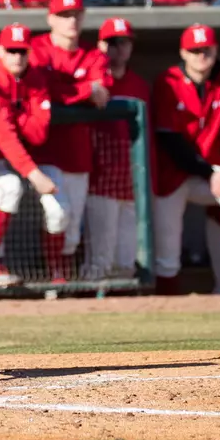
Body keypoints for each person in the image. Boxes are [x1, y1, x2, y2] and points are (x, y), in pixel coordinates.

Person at [149, 24, 220, 295]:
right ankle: (167, 296)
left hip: (209, 172)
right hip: (171, 173)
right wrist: (209, 171)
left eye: (206, 50)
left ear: (215, 51)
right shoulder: (168, 81)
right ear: (183, 53)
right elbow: (170, 141)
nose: (201, 56)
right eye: (195, 50)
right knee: (168, 246)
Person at [0, 23, 57, 288]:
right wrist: (33, 173)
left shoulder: (33, 76)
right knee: (9, 186)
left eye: (22, 51)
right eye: (11, 51)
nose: (17, 57)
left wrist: (19, 112)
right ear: (0, 51)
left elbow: (39, 134)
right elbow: (3, 133)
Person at [26, 0, 107, 280]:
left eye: (75, 14)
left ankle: (65, 284)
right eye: (64, 15)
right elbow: (41, 88)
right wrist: (83, 90)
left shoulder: (93, 54)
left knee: (72, 231)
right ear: (51, 18)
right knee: (57, 213)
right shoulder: (36, 48)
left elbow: (102, 95)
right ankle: (55, 278)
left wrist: (67, 91)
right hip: (44, 151)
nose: (71, 20)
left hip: (78, 152)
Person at [79, 19, 150, 282]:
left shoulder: (139, 85)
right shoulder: (95, 82)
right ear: (99, 45)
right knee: (100, 261)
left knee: (126, 261)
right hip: (100, 182)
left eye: (123, 42)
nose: (117, 49)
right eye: (110, 42)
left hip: (132, 182)